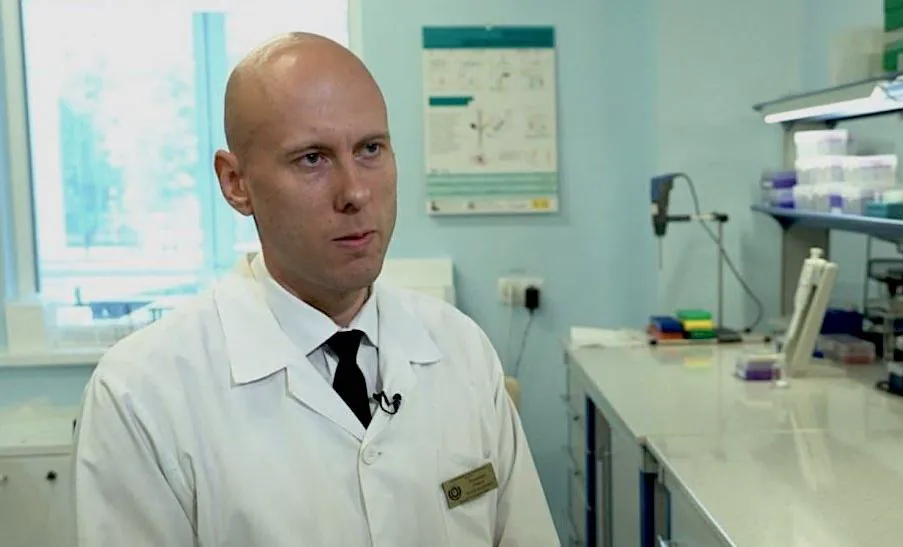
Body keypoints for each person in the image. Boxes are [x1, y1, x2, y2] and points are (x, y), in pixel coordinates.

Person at [70, 32, 559, 547]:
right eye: (312, 159)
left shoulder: (462, 349)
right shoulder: (142, 395)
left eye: (370, 149)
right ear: (235, 182)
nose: (355, 192)